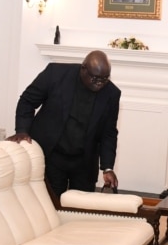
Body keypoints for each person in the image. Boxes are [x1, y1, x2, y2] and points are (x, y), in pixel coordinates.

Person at [7, 50, 120, 197]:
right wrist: (22, 130)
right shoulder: (55, 74)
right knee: (47, 204)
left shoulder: (111, 93)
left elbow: (109, 133)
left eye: (104, 79)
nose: (99, 83)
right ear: (83, 68)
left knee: (81, 210)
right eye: (95, 78)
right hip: (51, 155)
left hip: (84, 162)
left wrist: (107, 168)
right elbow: (27, 101)